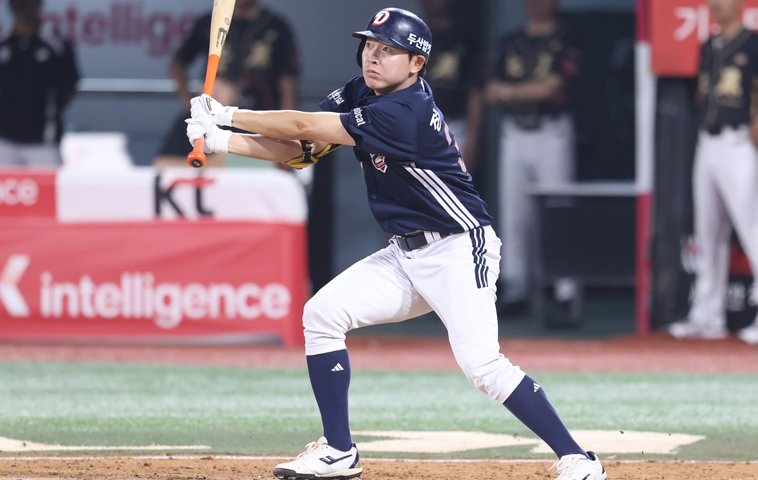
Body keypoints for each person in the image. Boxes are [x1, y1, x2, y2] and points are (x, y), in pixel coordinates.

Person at [185, 8, 606, 480]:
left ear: (416, 64)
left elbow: (303, 127)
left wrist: (228, 115)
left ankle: (579, 459)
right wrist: (222, 141)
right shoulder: (362, 91)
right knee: (322, 315)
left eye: (388, 50)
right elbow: (302, 152)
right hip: (405, 253)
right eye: (370, 45)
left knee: (482, 364)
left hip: (458, 248)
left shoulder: (406, 113)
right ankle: (338, 451)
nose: (373, 56)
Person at [666, 0, 758, 345]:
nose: (718, 4)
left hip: (739, 143)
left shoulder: (752, 43)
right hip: (708, 143)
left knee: (752, 229)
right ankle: (707, 316)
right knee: (708, 235)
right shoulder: (709, 45)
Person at [485, 0, 580, 316]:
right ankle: (516, 287)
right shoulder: (509, 42)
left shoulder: (567, 38)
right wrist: (524, 91)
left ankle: (565, 288)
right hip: (514, 132)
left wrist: (509, 92)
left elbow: (552, 88)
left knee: (558, 209)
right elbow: (490, 90)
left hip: (551, 131)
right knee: (514, 215)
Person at [154, 0, 299, 167]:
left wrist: (287, 134)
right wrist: (190, 103)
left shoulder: (276, 26)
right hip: (213, 114)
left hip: (259, 116)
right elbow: (177, 63)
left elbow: (287, 83)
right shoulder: (209, 22)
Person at [0, 0, 79, 168]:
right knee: (1, 185)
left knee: (50, 185)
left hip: (44, 141)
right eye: (19, 3)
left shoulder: (56, 44)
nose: (24, 8)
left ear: (39, 5)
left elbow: (70, 87)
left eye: (29, 3)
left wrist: (46, 111)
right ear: (11, 6)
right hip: (4, 140)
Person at [418, 0, 485, 174]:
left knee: (452, 188)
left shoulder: (464, 39)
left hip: (453, 127)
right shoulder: (409, 38)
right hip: (414, 127)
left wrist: (473, 138)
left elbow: (475, 91)